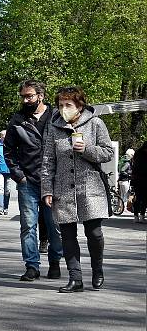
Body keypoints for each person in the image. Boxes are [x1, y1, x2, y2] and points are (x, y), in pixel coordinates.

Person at [42, 86, 113, 293]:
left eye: (68, 105)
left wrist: (87, 150)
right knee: (67, 235)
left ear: (79, 106)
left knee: (94, 233)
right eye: (61, 105)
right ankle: (76, 278)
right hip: (63, 189)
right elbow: (48, 161)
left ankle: (97, 269)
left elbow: (108, 152)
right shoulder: (54, 128)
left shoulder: (96, 123)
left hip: (90, 187)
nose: (64, 109)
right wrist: (47, 189)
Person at [4, 79, 63, 281]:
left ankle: (55, 261)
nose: (26, 99)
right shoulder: (18, 119)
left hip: (53, 181)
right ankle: (32, 265)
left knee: (54, 225)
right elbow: (8, 151)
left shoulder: (57, 116)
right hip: (27, 180)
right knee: (28, 226)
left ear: (41, 96)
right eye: (23, 96)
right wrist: (18, 175)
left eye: (30, 96)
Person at [131, 141, 147, 223]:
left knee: (138, 198)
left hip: (136, 180)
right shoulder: (144, 157)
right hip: (143, 180)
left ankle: (136, 216)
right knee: (144, 199)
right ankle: (142, 215)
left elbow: (134, 167)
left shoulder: (137, 154)